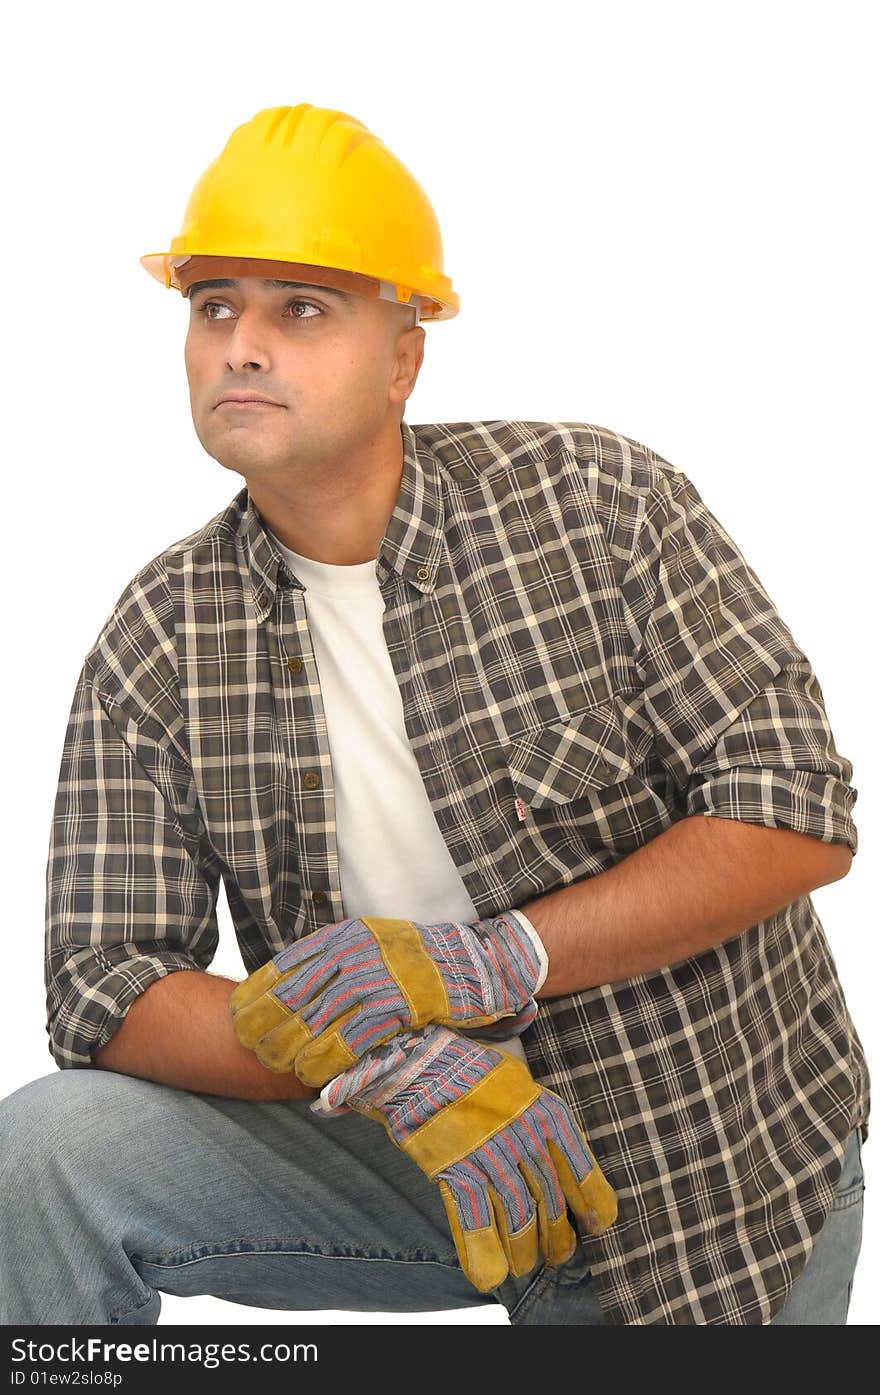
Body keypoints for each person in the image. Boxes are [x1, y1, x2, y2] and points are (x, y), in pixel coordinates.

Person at [0, 102, 868, 1327]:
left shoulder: (594, 502)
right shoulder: (159, 636)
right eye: (214, 307)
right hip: (410, 1142)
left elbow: (794, 810)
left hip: (703, 1162)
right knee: (42, 1155)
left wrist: (490, 962)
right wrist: (377, 1055)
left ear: (403, 356)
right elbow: (103, 983)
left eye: (300, 308)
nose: (242, 344)